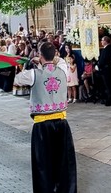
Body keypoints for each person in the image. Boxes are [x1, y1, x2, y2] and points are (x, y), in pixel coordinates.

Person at [13, 42, 77, 193]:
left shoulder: (34, 74)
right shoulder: (62, 68)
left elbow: (17, 79)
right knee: (63, 162)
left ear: (40, 55)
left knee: (43, 163)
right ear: (54, 54)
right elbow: (59, 60)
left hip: (42, 125)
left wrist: (32, 64)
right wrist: (43, 60)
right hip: (62, 124)